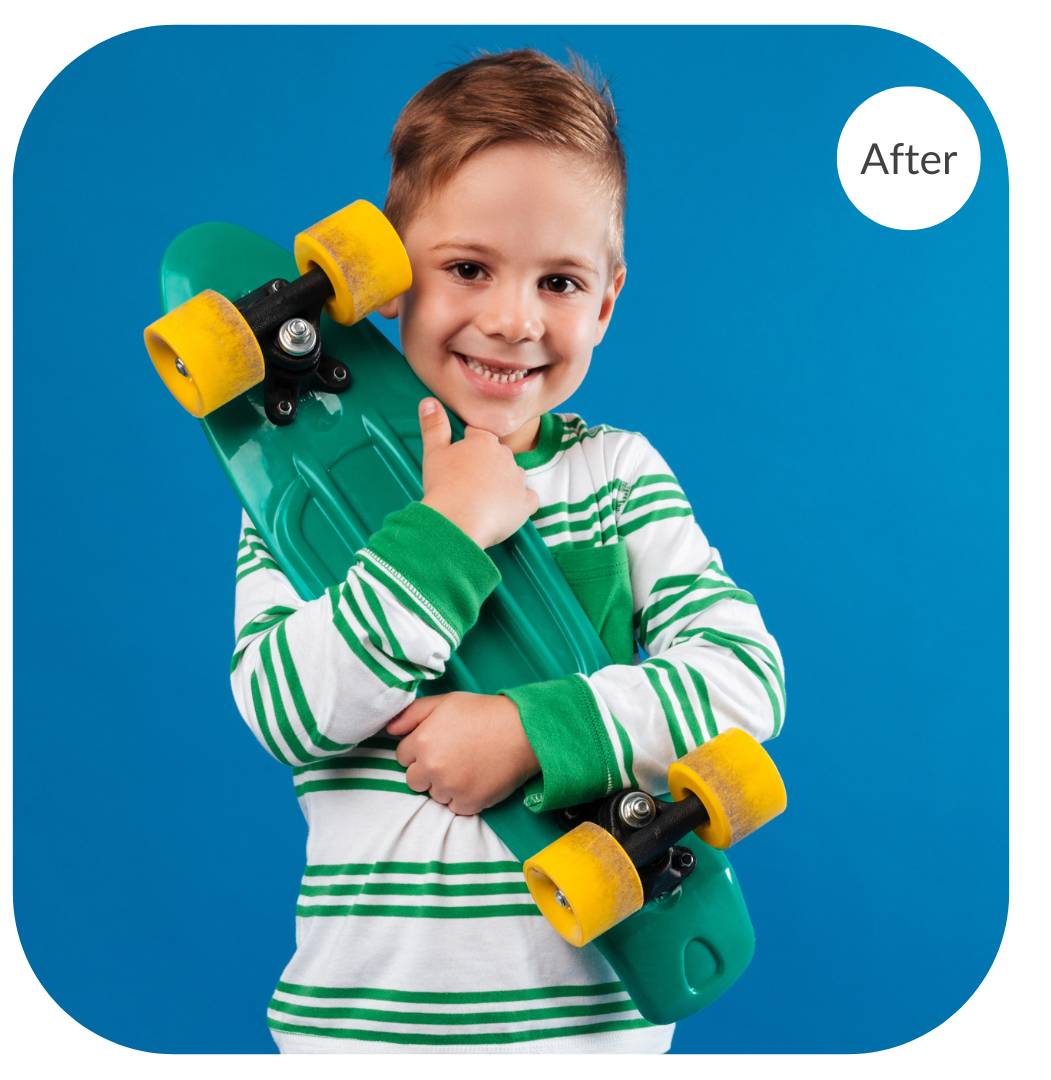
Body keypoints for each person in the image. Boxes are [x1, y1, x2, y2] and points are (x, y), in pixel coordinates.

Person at [231, 48, 785, 1054]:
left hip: (594, 1034)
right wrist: (443, 536)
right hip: (355, 1036)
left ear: (607, 302)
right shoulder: (297, 490)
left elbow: (742, 682)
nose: (513, 320)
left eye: (561, 281)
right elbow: (283, 710)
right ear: (388, 277)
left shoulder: (616, 476)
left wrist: (534, 731)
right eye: (468, 267)